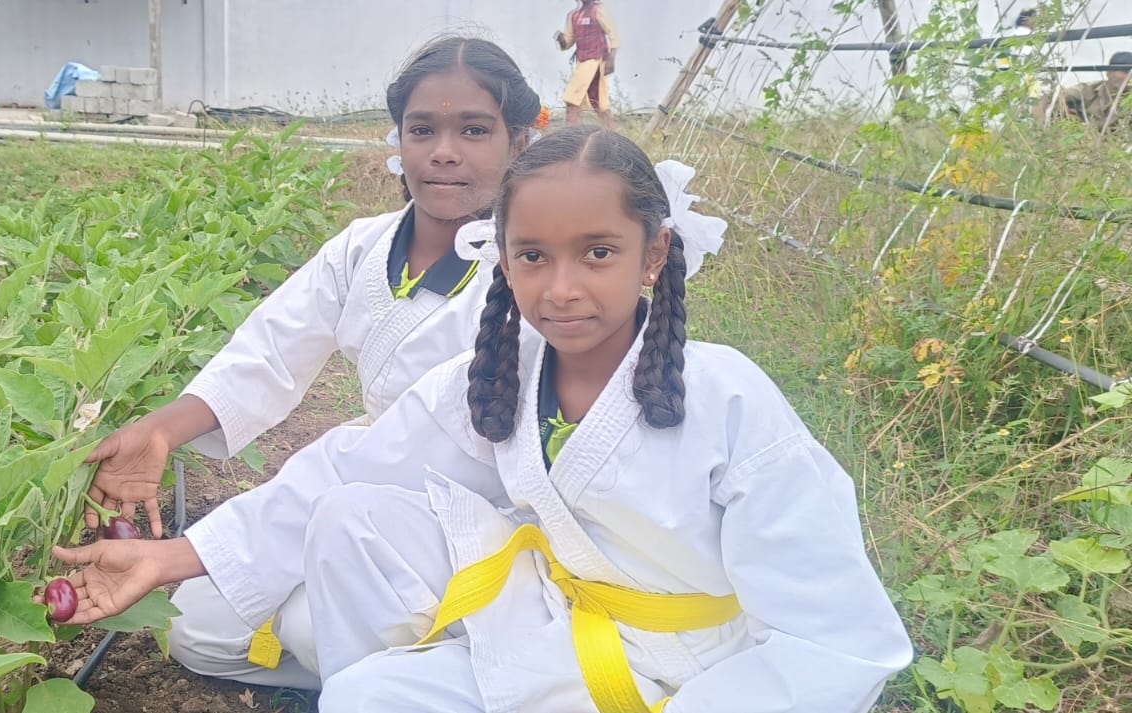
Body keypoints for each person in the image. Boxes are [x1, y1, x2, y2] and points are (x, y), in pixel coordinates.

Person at [47, 126, 913, 712]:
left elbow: (837, 640)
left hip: (702, 674)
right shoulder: (506, 371)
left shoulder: (727, 398)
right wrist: (168, 557)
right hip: (555, 630)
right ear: (503, 257)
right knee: (362, 679)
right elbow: (351, 467)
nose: (561, 287)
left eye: (598, 252)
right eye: (533, 255)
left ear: (654, 254)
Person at [76, 34, 544, 689]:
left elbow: (398, 455)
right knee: (194, 624)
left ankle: (444, 683)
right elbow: (269, 351)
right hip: (362, 491)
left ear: (518, 145)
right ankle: (405, 669)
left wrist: (191, 551)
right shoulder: (365, 246)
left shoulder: (529, 273)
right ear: (398, 141)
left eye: (473, 130)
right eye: (422, 129)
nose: (443, 151)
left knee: (307, 620)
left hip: (474, 516)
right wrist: (159, 432)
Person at [555, 0, 621, 129]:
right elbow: (569, 41)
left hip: (595, 59)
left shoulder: (598, 10)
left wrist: (611, 59)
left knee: (572, 96)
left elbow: (613, 34)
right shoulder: (574, 16)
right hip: (582, 61)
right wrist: (562, 40)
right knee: (597, 99)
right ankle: (613, 129)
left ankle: (570, 130)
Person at [1039, 50, 1132, 132]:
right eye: (1125, 72)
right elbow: (1044, 100)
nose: (1130, 76)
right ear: (1109, 72)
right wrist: (1043, 129)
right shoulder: (1087, 90)